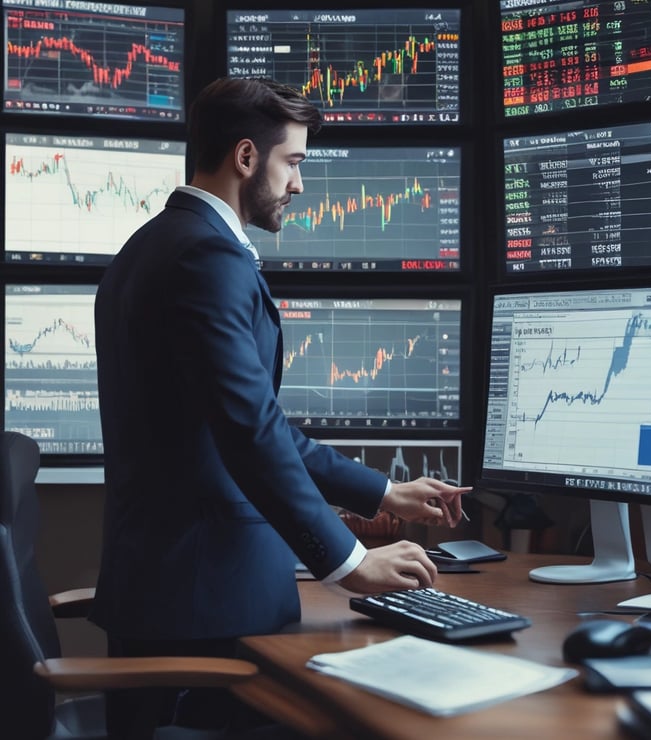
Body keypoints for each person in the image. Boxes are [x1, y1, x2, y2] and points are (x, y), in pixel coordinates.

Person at [91, 76, 469, 738]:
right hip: (206, 613)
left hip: (177, 595)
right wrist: (353, 562)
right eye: (292, 162)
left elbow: (247, 422)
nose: (299, 184)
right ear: (245, 157)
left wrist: (384, 491)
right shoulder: (207, 257)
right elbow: (251, 430)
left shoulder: (150, 247)